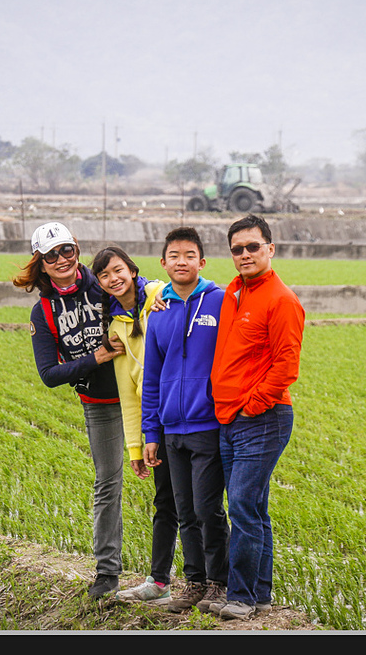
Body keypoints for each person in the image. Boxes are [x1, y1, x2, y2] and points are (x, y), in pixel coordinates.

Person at [12, 221, 126, 600]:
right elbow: (49, 374)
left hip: (143, 396)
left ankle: (182, 575)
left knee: (174, 485)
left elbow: (141, 295)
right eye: (51, 255)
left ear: (76, 249)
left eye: (66, 250)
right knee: (107, 484)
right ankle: (107, 574)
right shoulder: (42, 312)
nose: (61, 259)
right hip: (101, 405)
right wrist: (95, 358)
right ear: (41, 263)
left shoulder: (103, 283)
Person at [208, 214, 305, 620]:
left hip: (262, 419)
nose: (244, 254)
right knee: (254, 508)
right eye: (237, 249)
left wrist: (253, 403)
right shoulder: (233, 291)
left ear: (271, 248)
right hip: (230, 419)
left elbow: (287, 366)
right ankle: (260, 596)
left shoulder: (281, 300)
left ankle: (242, 598)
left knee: (243, 506)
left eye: (252, 247)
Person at [141, 227, 231, 614]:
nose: (182, 261)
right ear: (163, 264)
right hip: (171, 428)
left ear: (202, 262)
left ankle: (219, 584)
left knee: (209, 510)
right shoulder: (158, 312)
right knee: (185, 511)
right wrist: (151, 431)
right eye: (174, 255)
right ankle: (193, 583)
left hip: (208, 425)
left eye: (189, 255)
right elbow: (151, 376)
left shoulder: (220, 301)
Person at [89, 246, 177, 605]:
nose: (114, 279)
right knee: (166, 501)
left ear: (133, 269)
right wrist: (137, 447)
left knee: (202, 505)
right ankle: (159, 582)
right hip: (157, 419)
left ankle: (218, 582)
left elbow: (185, 292)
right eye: (105, 275)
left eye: (118, 270)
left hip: (189, 411)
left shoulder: (159, 294)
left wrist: (166, 298)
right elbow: (129, 393)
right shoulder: (116, 326)